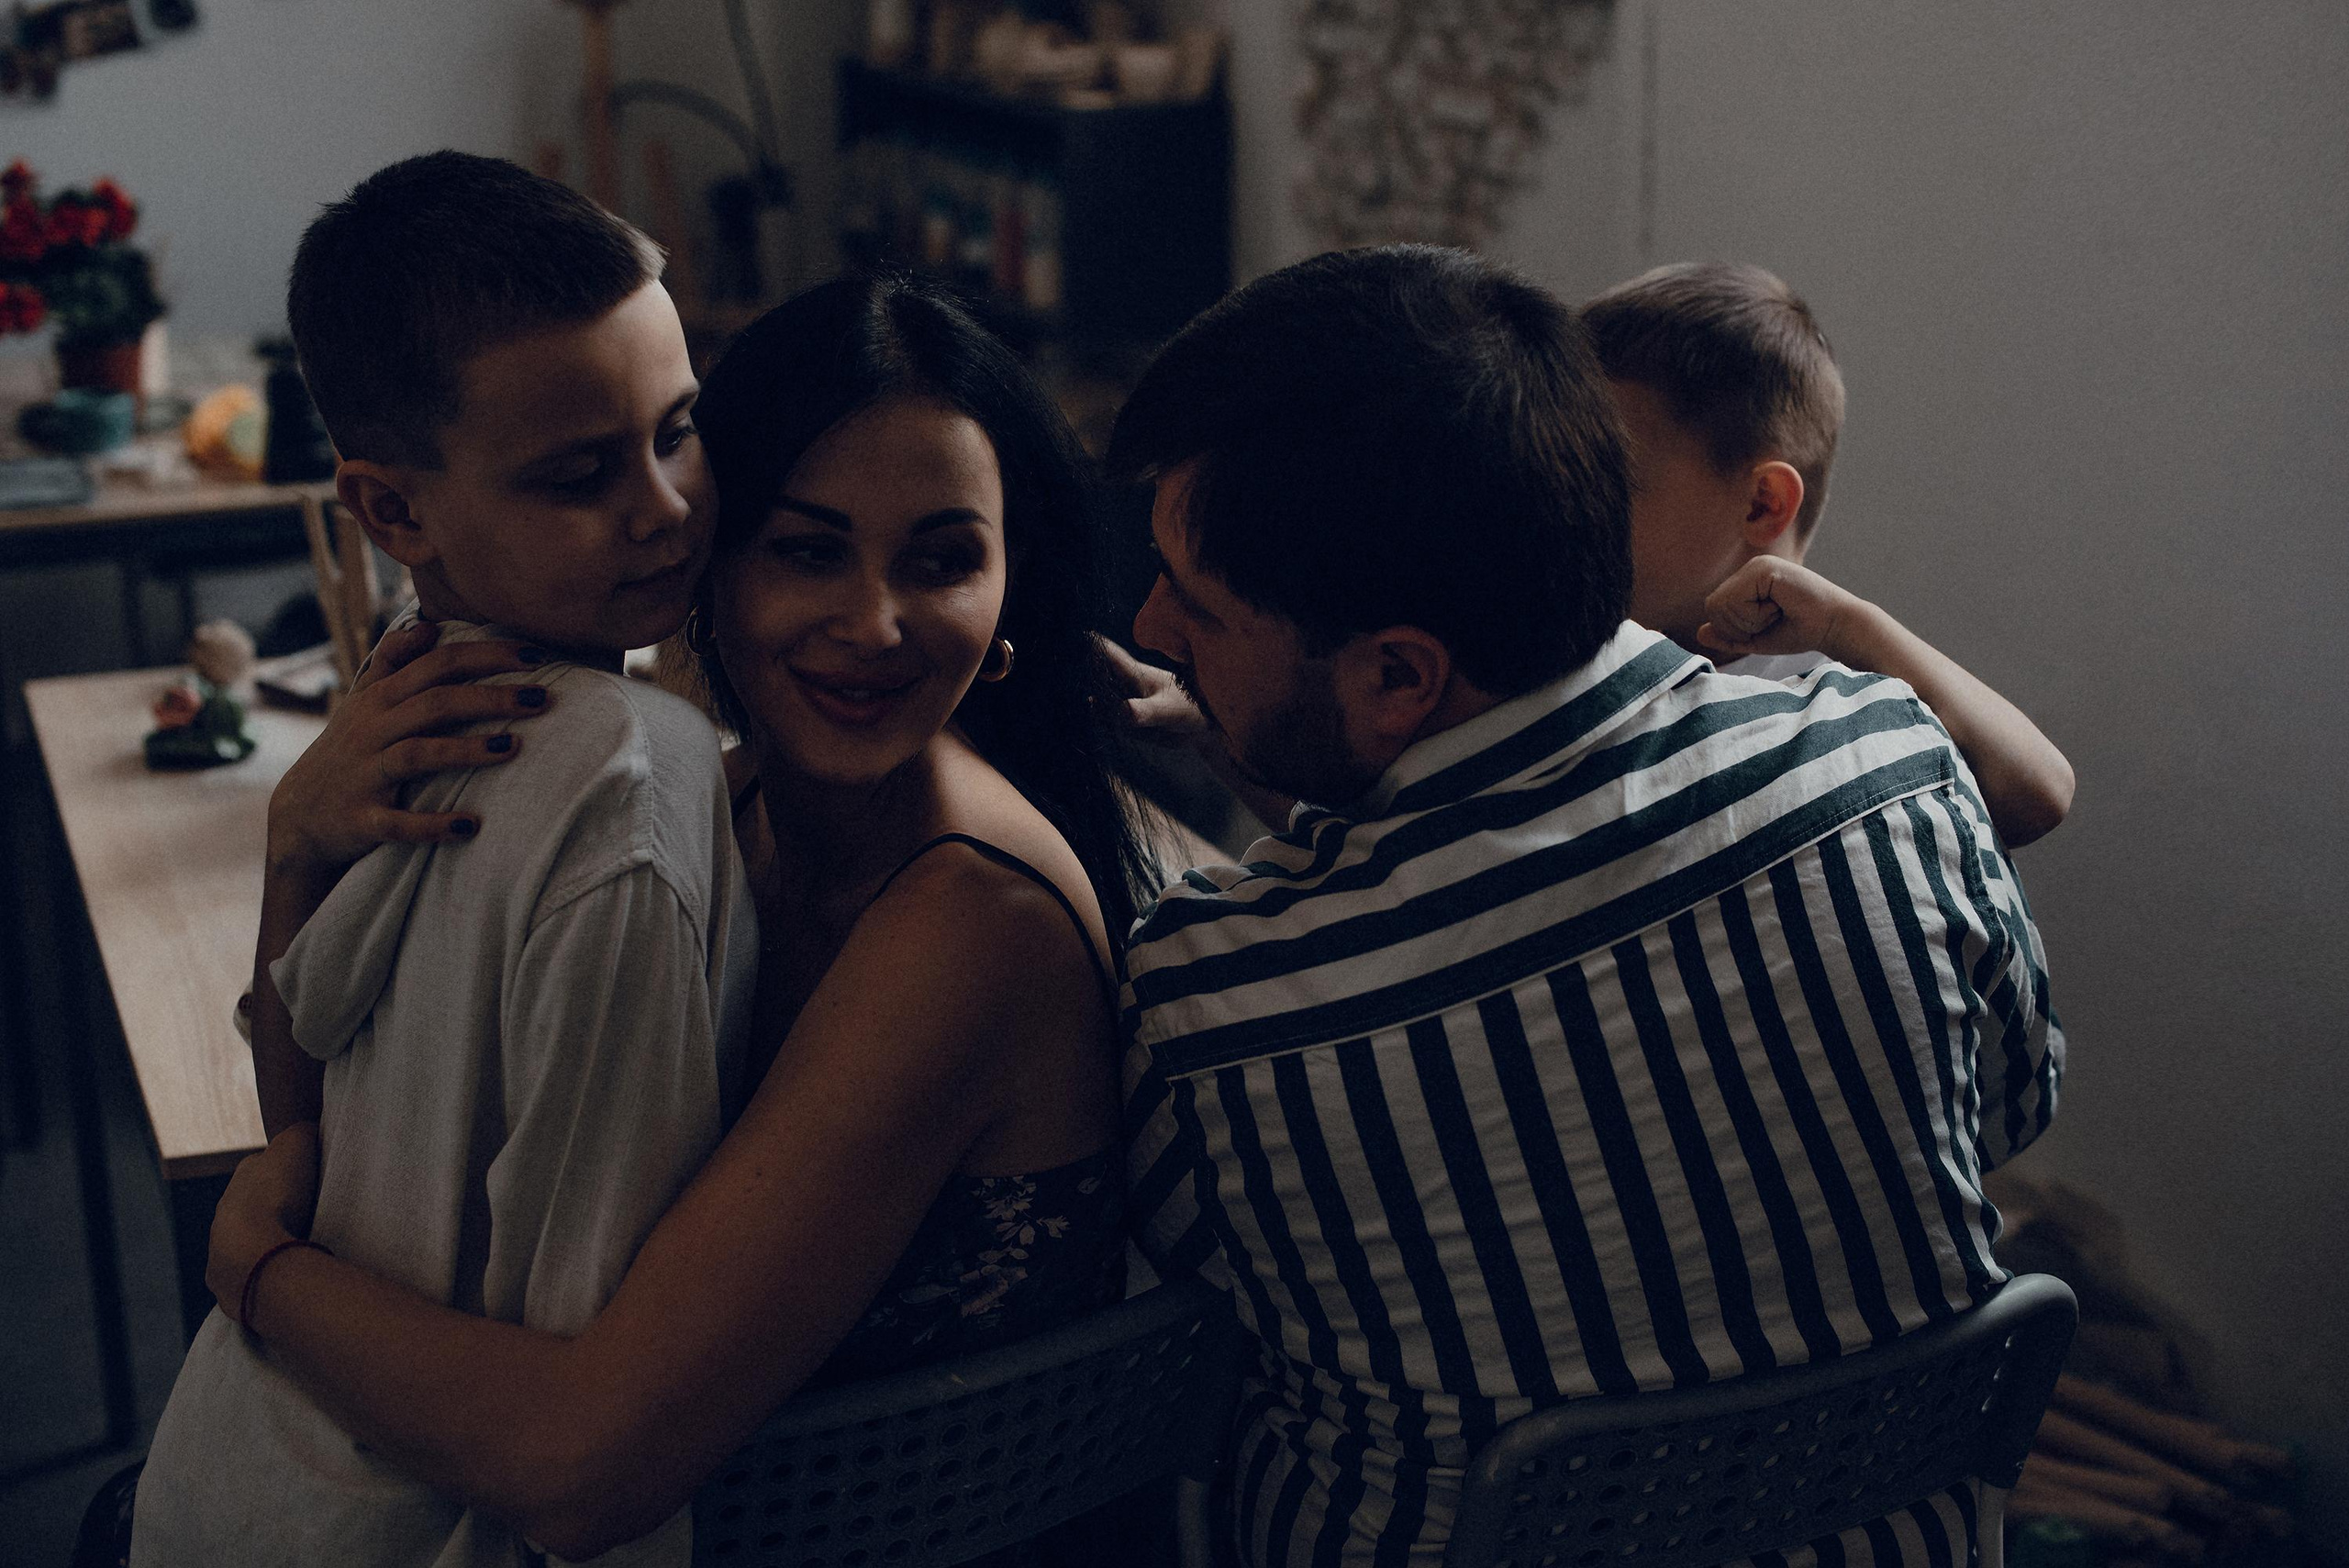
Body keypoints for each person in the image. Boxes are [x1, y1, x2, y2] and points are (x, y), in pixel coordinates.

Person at [179, 269, 1152, 1564]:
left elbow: (575, 1471)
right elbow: (332, 1132)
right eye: (807, 549)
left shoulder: (969, 923)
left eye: (943, 560)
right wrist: (297, 846)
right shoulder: (721, 803)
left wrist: (252, 1273)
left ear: (1010, 587)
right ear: (710, 558)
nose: (874, 625)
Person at [1112, 245, 2064, 1568]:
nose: (1154, 626)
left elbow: (1186, 1320)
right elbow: (2007, 1108)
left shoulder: (1217, 995)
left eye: (1201, 609)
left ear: (1399, 675)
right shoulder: (1891, 766)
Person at [133, 151, 757, 1568]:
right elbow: (587, 1397)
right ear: (394, 514)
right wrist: (298, 845)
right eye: (580, 474)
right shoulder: (630, 784)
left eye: (681, 431)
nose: (662, 507)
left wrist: (294, 858)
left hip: (239, 1486)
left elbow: (298, 1123)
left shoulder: (429, 687)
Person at [1582, 261, 2074, 847]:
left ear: (1764, 504)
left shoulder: (1832, 694)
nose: (1571, 510)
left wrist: (1849, 625)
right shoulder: (1576, 645)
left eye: (1612, 483)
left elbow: (2039, 793)